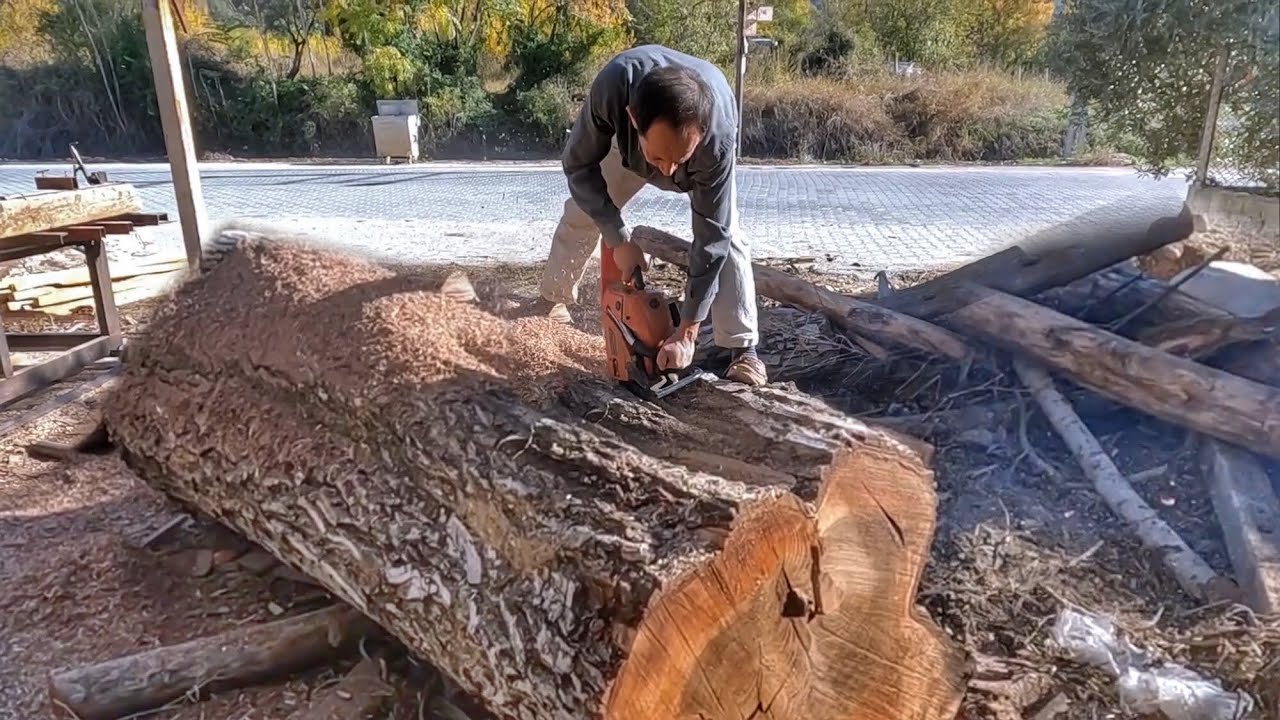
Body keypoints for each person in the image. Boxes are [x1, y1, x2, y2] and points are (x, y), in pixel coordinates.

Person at [524, 44, 767, 387]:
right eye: (660, 161)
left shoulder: (717, 138)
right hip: (631, 153)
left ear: (700, 132)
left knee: (730, 238)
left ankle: (743, 350)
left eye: (677, 161)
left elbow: (712, 237)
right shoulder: (613, 88)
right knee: (582, 211)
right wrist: (617, 235)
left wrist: (687, 331)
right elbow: (578, 166)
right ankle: (553, 299)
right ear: (633, 118)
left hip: (687, 155)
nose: (668, 173)